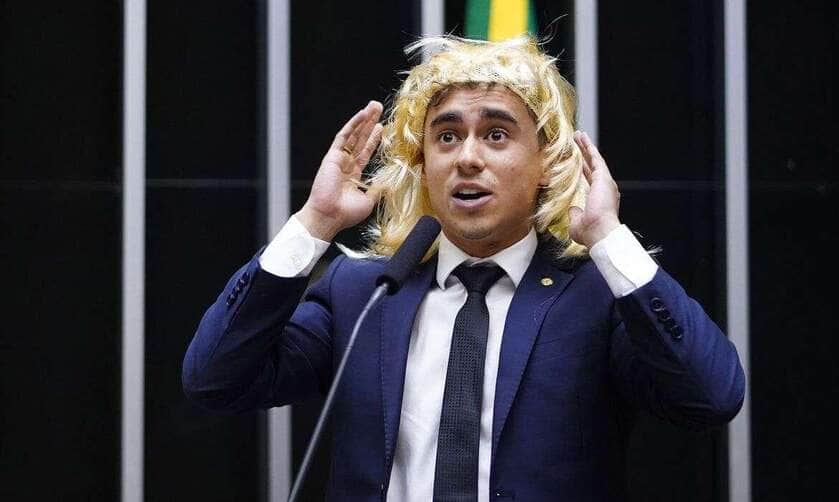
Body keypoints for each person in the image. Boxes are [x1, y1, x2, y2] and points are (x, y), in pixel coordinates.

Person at [182, 36, 745, 501]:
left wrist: (607, 239)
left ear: (547, 162)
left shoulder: (596, 298)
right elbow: (215, 379)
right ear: (424, 165)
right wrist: (314, 223)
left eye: (496, 134)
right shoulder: (364, 292)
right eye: (446, 136)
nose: (467, 157)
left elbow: (711, 397)